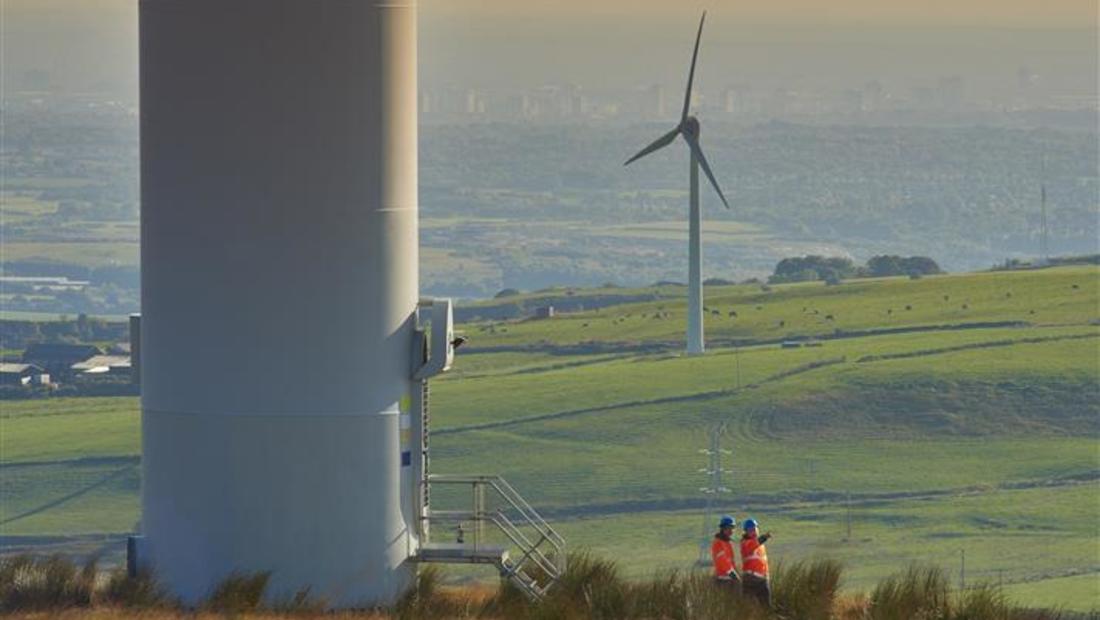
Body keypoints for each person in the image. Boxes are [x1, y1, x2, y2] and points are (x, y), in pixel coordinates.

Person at [740, 518, 772, 608]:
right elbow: (754, 545)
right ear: (746, 532)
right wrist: (764, 537)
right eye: (750, 530)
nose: (753, 532)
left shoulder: (760, 545)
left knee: (766, 607)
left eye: (755, 529)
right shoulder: (745, 543)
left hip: (763, 579)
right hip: (751, 579)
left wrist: (767, 577)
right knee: (748, 608)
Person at [710, 515, 740, 590]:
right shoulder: (718, 543)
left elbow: (731, 562)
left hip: (730, 580)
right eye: (728, 528)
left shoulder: (728, 543)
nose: (731, 531)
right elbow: (723, 561)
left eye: (732, 528)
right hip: (723, 580)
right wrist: (733, 575)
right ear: (722, 528)